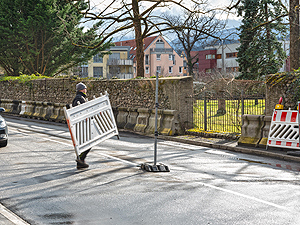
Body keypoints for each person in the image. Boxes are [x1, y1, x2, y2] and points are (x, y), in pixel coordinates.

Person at [72, 82, 91, 169]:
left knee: (86, 143)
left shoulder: (78, 97)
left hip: (80, 124)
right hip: (82, 125)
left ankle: (81, 162)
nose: (86, 91)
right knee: (88, 143)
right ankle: (80, 159)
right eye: (85, 89)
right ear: (82, 90)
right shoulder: (79, 98)